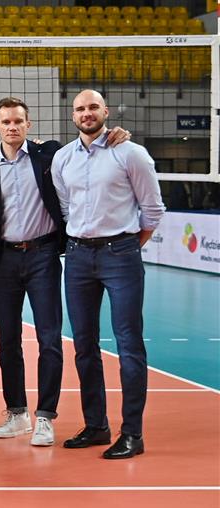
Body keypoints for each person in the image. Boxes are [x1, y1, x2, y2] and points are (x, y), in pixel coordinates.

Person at [51, 89, 164, 460]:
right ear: (73, 115)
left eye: (93, 107)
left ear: (106, 111)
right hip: (78, 256)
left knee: (129, 343)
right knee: (84, 345)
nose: (87, 113)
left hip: (121, 253)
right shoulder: (63, 158)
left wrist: (127, 245)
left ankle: (132, 433)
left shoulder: (130, 153)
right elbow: (66, 207)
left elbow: (153, 209)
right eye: (80, 108)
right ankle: (96, 425)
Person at [0, 97, 67, 447]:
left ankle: (46, 417)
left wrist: (115, 136)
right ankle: (17, 412)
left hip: (43, 255)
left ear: (28, 125)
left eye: (18, 121)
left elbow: (84, 151)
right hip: (4, 259)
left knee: (49, 339)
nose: (12, 127)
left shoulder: (48, 155)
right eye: (6, 122)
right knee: (8, 341)